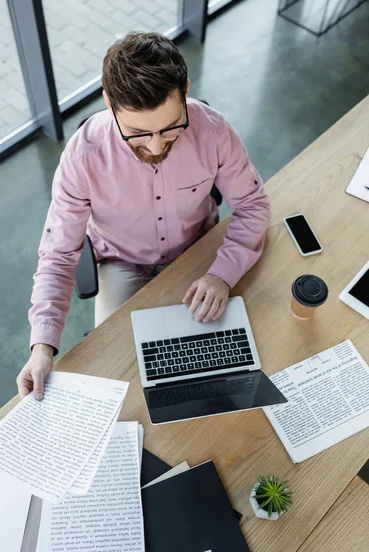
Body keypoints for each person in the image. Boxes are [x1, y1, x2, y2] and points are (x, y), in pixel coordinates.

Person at [17, 32, 270, 400]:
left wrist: (222, 275)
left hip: (198, 253)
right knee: (123, 377)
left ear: (185, 90)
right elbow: (57, 255)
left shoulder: (213, 131)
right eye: (137, 133)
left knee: (229, 366)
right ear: (109, 103)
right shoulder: (82, 158)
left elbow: (253, 205)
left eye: (170, 129)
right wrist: (42, 347)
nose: (155, 147)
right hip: (123, 263)